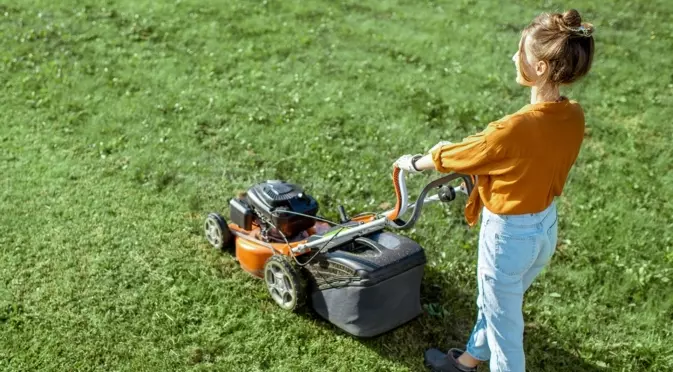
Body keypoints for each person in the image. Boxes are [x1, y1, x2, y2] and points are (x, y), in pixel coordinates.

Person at [393, 9, 595, 372]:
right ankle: (468, 361)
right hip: (545, 231)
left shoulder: (513, 129)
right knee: (499, 305)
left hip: (508, 240)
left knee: (506, 335)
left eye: (521, 52)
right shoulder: (573, 115)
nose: (514, 57)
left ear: (541, 69)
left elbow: (461, 154)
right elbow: (529, 160)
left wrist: (415, 162)